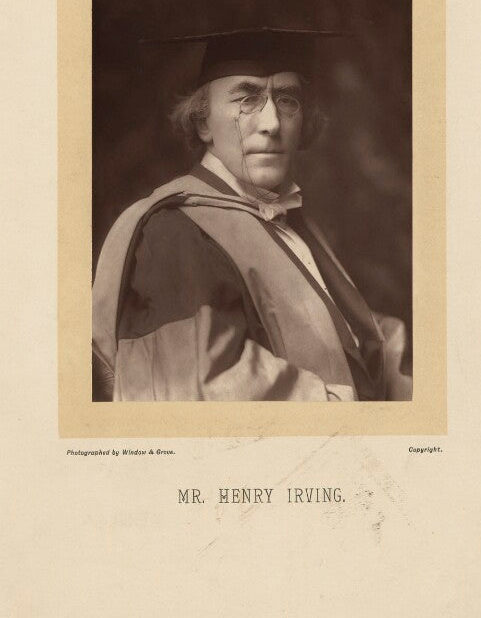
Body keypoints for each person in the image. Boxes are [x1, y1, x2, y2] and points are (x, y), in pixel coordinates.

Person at [92, 27, 412, 402]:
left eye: (287, 100)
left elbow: (354, 339)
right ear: (203, 123)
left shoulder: (285, 220)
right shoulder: (175, 232)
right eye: (247, 100)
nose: (272, 123)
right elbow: (203, 386)